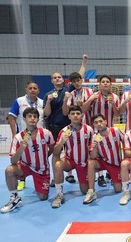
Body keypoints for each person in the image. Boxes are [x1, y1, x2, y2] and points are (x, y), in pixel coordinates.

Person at [43, 54, 88, 186]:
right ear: (52, 81)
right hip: (55, 127)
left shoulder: (68, 89)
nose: (57, 79)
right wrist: (49, 101)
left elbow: (78, 76)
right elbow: (46, 113)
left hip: (69, 126)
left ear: (63, 80)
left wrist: (84, 63)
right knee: (56, 152)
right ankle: (55, 177)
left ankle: (69, 175)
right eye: (54, 77)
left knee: (71, 151)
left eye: (59, 77)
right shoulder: (48, 95)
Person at [0, 107, 55, 213]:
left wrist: (45, 157)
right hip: (25, 166)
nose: (32, 119)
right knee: (9, 170)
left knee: (43, 197)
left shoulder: (46, 133)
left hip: (42, 169)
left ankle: (40, 185)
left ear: (38, 119)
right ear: (24, 119)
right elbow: (13, 161)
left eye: (35, 116)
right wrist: (21, 148)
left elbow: (52, 147)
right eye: (29, 116)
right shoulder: (18, 137)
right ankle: (14, 197)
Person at [82, 74, 121, 187]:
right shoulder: (94, 96)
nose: (105, 83)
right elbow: (83, 110)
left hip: (109, 131)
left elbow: (118, 114)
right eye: (103, 82)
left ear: (110, 84)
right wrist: (89, 100)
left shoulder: (115, 97)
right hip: (96, 131)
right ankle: (100, 176)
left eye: (107, 82)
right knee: (96, 153)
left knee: (112, 151)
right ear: (99, 85)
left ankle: (112, 172)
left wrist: (113, 105)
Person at [52, 105, 93, 208]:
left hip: (83, 162)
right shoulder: (64, 131)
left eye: (78, 114)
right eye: (73, 114)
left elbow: (94, 147)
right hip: (69, 161)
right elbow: (56, 152)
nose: (75, 116)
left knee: (84, 191)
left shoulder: (89, 130)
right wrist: (61, 142)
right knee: (57, 165)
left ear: (82, 115)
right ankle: (59, 194)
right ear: (69, 116)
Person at [8, 81, 45, 191]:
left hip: (39, 136)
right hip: (25, 136)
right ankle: (22, 181)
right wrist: (14, 134)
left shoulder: (42, 102)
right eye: (30, 88)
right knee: (22, 159)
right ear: (26, 90)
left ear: (38, 90)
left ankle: (41, 178)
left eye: (35, 88)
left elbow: (44, 118)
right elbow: (11, 117)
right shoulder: (19, 101)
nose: (32, 90)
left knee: (40, 159)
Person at [85, 114, 124, 204]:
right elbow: (93, 156)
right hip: (103, 162)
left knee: (118, 189)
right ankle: (91, 191)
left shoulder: (116, 131)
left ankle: (114, 177)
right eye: (96, 122)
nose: (99, 124)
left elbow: (126, 142)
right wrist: (94, 147)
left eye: (101, 121)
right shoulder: (95, 137)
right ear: (93, 125)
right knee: (91, 162)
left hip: (115, 164)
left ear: (105, 122)